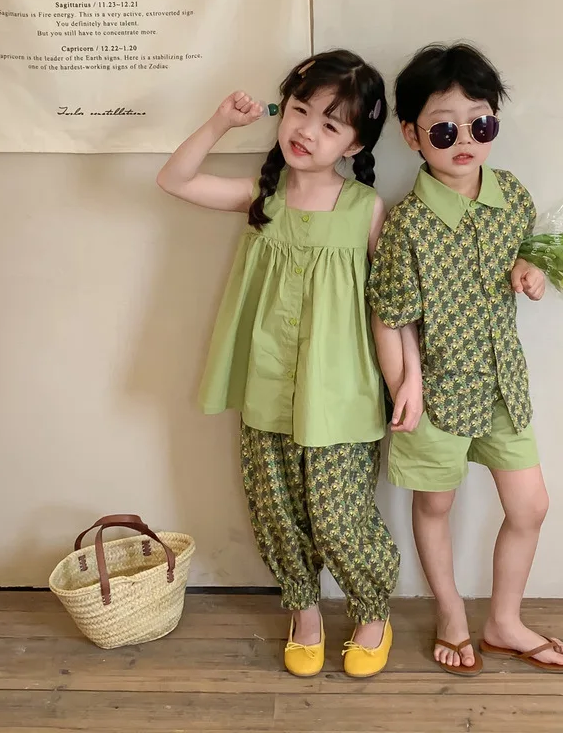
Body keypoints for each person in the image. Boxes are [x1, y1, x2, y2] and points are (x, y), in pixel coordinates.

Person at [157, 49, 407, 679]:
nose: (307, 131)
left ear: (355, 143)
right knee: (276, 509)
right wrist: (220, 122)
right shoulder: (262, 197)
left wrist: (406, 383)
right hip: (266, 384)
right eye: (300, 110)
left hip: (342, 392)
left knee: (339, 515)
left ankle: (372, 609)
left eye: (331, 124)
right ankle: (305, 611)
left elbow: (391, 306)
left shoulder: (365, 209)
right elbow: (175, 180)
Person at [368, 43, 563, 676]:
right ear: (411, 135)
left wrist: (532, 268)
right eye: (444, 129)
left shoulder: (512, 195)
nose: (464, 140)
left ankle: (504, 621)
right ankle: (451, 614)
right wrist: (403, 384)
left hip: (503, 385)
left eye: (480, 124)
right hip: (435, 393)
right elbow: (388, 313)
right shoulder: (407, 225)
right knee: (435, 506)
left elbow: (531, 251)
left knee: (530, 506)